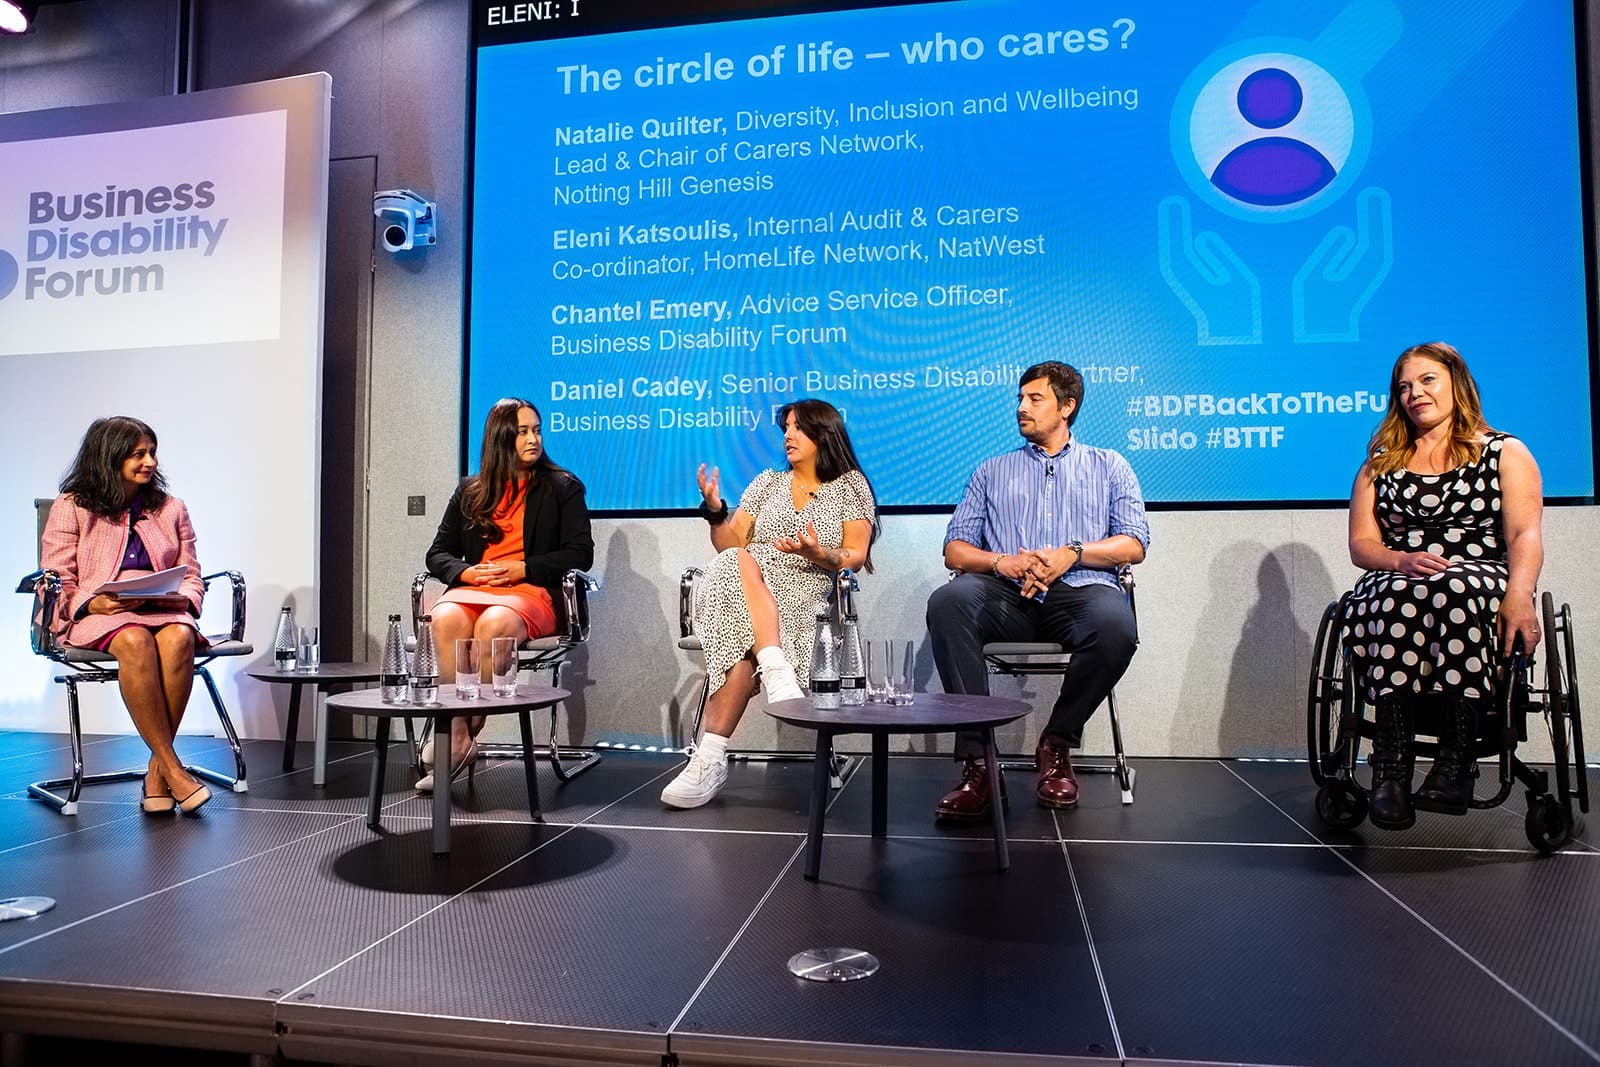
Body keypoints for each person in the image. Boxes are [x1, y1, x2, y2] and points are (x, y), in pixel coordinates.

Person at [926, 362, 1148, 820]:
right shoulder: (992, 470)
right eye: (1020, 399)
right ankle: (979, 762)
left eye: (1035, 399)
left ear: (1067, 407)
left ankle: (1056, 743)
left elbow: (1134, 543)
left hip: (1079, 591)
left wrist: (1074, 552)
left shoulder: (1110, 466)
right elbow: (955, 549)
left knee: (1115, 626)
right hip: (1008, 594)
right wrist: (1000, 561)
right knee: (948, 603)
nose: (1021, 408)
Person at [1346, 341, 1542, 829]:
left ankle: (1457, 762)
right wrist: (1400, 559)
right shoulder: (1381, 464)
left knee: (1451, 587)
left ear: (1457, 382)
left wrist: (1520, 595)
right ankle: (1390, 769)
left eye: (1427, 380)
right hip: (1398, 577)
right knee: (1395, 590)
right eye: (1405, 386)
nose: (1415, 393)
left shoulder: (1503, 452)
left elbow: (1524, 533)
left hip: (1478, 576)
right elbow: (1361, 545)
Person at [662, 398, 877, 809]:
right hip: (741, 583)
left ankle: (709, 758)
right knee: (737, 558)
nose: (788, 436)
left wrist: (818, 553)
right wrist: (714, 513)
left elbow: (855, 554)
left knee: (743, 651)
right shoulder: (766, 483)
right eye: (786, 428)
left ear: (824, 433)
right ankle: (776, 668)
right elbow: (730, 545)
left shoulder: (850, 487)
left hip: (805, 590)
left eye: (798, 427)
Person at [40, 417, 214, 815]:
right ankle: (172, 769)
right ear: (109, 456)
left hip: (163, 608)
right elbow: (56, 577)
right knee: (135, 640)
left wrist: (184, 599)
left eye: (152, 452)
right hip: (102, 613)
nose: (150, 461)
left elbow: (191, 573)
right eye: (139, 454)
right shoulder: (73, 506)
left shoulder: (171, 508)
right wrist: (91, 603)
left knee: (180, 638)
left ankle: (157, 773)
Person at [420, 398, 594, 791]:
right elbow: (437, 554)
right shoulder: (471, 490)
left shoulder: (562, 486)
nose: (534, 439)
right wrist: (465, 570)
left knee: (495, 623)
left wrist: (523, 568)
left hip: (532, 592)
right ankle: (458, 730)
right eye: (523, 432)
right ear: (501, 439)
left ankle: (462, 730)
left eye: (537, 430)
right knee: (445, 617)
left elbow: (580, 552)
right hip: (475, 588)